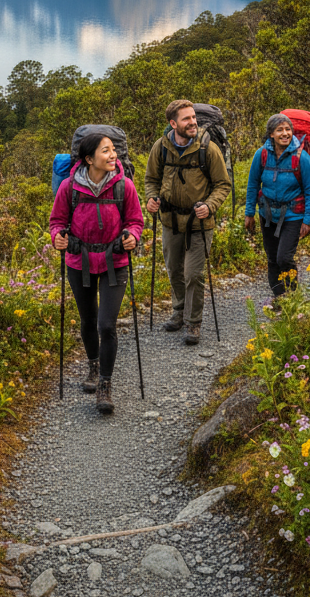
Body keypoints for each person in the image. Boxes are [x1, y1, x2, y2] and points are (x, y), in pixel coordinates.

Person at [50, 132, 143, 414]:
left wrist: (132, 236)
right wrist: (58, 238)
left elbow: (135, 220)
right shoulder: (69, 187)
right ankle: (92, 365)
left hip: (115, 261)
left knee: (106, 325)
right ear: (89, 159)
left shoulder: (124, 186)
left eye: (114, 150)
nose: (113, 155)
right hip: (80, 262)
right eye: (106, 151)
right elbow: (57, 221)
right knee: (88, 320)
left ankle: (105, 384)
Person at [145, 99, 232, 346]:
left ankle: (193, 323)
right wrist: (151, 198)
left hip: (199, 222)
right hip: (170, 220)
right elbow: (151, 178)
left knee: (193, 274)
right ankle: (179, 311)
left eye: (193, 117)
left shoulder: (208, 148)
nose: (193, 122)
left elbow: (223, 184)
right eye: (186, 119)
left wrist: (210, 205)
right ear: (173, 123)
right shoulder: (160, 148)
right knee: (174, 269)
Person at [244, 113, 310, 303]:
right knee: (272, 259)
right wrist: (249, 213)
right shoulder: (262, 154)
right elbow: (253, 185)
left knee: (284, 258)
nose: (285, 134)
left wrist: (308, 220)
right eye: (280, 130)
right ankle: (279, 299)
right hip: (267, 214)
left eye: (288, 129)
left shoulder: (302, 158)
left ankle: (292, 297)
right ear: (271, 135)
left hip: (293, 215)